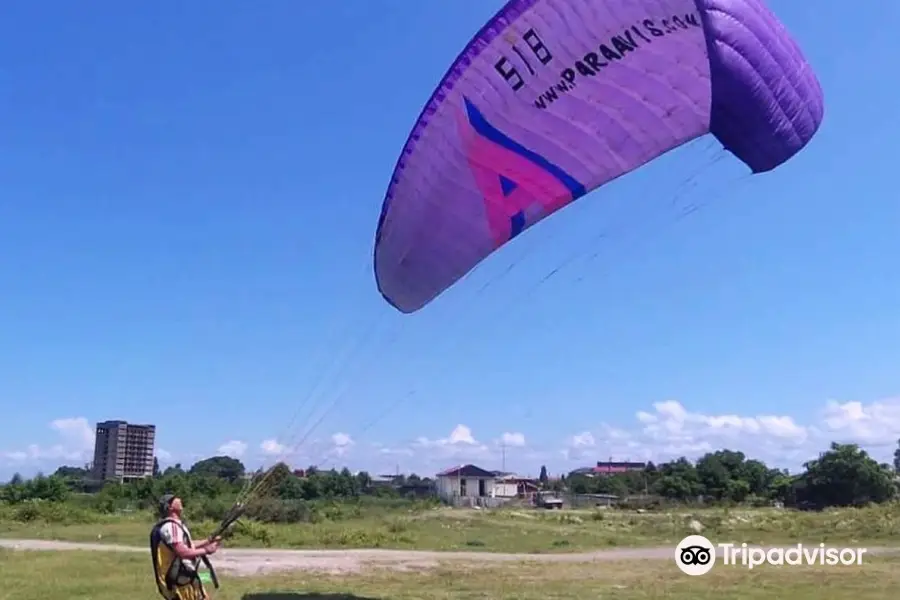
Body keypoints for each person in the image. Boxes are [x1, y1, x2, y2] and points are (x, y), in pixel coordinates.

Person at [150, 494, 222, 600]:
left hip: (185, 579)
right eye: (174, 499)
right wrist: (206, 550)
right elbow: (182, 552)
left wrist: (208, 541)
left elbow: (187, 545)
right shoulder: (171, 527)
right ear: (170, 507)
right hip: (180, 582)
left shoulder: (176, 525)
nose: (179, 499)